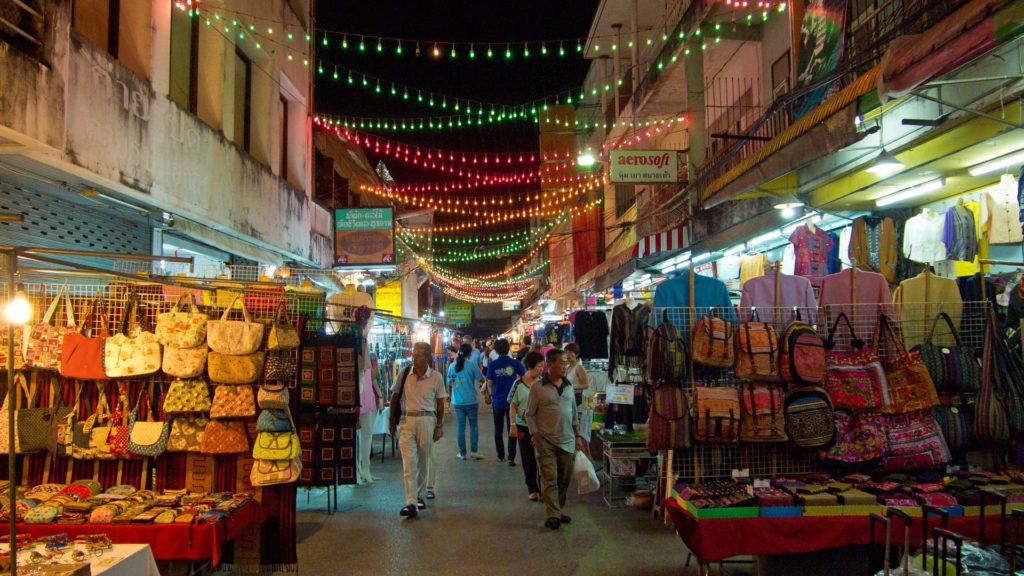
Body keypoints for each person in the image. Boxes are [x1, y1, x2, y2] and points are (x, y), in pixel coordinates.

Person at [525, 348, 588, 530]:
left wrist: (577, 436)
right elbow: (529, 414)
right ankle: (552, 514)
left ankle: (558, 509)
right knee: (550, 477)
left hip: (567, 440)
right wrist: (535, 434)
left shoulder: (569, 386)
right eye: (561, 363)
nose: (564, 367)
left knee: (564, 478)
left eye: (566, 363)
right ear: (550, 365)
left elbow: (574, 414)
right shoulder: (538, 387)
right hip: (546, 440)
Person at [389, 342, 448, 518]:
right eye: (413, 354)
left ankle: (419, 494)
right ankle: (411, 502)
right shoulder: (405, 373)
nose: (414, 358)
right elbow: (394, 396)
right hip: (407, 419)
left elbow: (440, 403)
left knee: (423, 460)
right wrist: (392, 421)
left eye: (418, 355)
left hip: (427, 419)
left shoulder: (436, 377)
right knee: (409, 462)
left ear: (427, 357)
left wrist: (439, 426)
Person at [509, 351, 544, 501]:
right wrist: (512, 425)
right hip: (522, 426)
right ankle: (532, 488)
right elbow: (513, 405)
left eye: (543, 366)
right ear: (530, 366)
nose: (541, 369)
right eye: (539, 366)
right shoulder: (518, 383)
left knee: (542, 458)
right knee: (528, 458)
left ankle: (544, 489)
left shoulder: (543, 383)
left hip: (540, 427)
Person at [486, 339, 524, 465]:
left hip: (497, 401)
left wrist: (490, 393)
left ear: (495, 350)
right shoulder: (515, 363)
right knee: (512, 427)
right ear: (508, 349)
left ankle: (500, 455)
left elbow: (490, 384)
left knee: (498, 429)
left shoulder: (493, 365)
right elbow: (524, 378)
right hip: (513, 402)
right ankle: (511, 457)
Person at [447, 343, 484, 460]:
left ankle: (462, 453)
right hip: (472, 401)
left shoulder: (452, 366)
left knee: (460, 427)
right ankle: (474, 451)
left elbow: (450, 383)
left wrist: (449, 396)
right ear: (470, 354)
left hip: (458, 402)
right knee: (474, 426)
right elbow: (481, 379)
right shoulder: (472, 365)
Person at [562, 343, 590, 408]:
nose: (568, 355)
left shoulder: (579, 368)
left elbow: (586, 385)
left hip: (576, 396)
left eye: (570, 352)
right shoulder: (567, 367)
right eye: (566, 353)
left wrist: (571, 387)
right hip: (567, 394)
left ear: (576, 354)